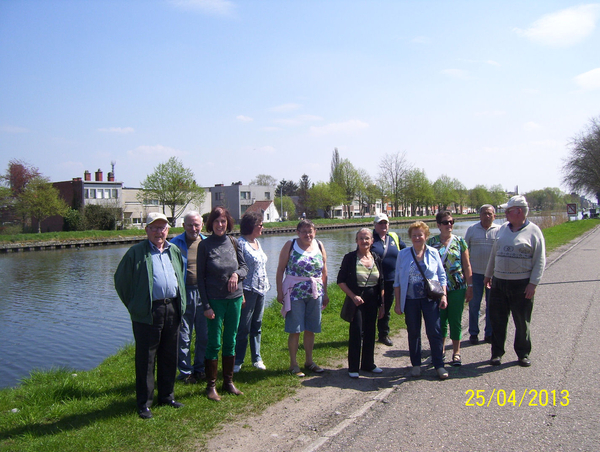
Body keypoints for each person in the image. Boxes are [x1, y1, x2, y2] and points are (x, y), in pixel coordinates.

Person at [114, 212, 186, 419]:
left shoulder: (174, 251)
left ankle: (167, 396)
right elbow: (121, 282)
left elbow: (179, 276)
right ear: (146, 230)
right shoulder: (136, 253)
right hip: (148, 312)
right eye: (154, 227)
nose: (158, 232)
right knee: (146, 358)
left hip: (171, 308)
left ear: (168, 230)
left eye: (162, 227)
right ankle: (144, 404)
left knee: (169, 354)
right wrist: (136, 305)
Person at [484, 195, 546, 367]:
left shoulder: (534, 232)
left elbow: (540, 260)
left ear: (519, 211)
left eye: (508, 210)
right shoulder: (502, 229)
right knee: (497, 320)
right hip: (499, 282)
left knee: (521, 321)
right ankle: (496, 353)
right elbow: (494, 254)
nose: (505, 213)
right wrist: (488, 275)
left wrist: (533, 283)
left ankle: (523, 353)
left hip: (521, 284)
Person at [197, 206, 248, 401]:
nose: (220, 225)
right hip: (215, 301)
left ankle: (228, 382)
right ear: (211, 224)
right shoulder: (205, 245)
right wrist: (206, 306)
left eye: (224, 221)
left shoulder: (234, 242)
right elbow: (200, 279)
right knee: (214, 343)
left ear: (228, 223)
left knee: (231, 340)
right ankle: (210, 386)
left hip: (234, 299)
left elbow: (244, 267)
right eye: (217, 221)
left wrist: (236, 274)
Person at [394, 221, 449, 380]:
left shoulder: (433, 253)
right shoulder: (403, 254)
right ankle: (416, 364)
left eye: (420, 235)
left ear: (426, 236)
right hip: (410, 300)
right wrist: (398, 303)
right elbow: (397, 281)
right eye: (414, 235)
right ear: (410, 237)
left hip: (430, 299)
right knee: (413, 332)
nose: (417, 237)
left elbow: (441, 275)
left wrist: (444, 295)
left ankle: (439, 365)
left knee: (435, 331)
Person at [276, 219, 329, 377]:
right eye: (304, 231)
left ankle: (309, 361)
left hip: (315, 292)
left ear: (315, 232)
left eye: (310, 231)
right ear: (298, 232)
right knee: (295, 329)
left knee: (311, 328)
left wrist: (325, 292)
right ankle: (293, 364)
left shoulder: (319, 245)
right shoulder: (290, 245)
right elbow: (280, 270)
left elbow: (324, 271)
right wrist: (280, 292)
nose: (308, 234)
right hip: (294, 293)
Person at [337, 228, 385, 378]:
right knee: (356, 332)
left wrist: (382, 304)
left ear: (372, 241)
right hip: (356, 301)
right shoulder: (350, 258)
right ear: (356, 241)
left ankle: (368, 364)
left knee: (371, 332)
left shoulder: (376, 258)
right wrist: (352, 296)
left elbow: (381, 282)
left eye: (367, 238)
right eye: (361, 238)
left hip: (373, 300)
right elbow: (340, 281)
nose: (364, 241)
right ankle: (353, 367)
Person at [427, 211, 473, 366]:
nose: (449, 225)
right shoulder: (431, 242)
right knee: (440, 320)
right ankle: (441, 351)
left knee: (455, 319)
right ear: (438, 225)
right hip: (438, 289)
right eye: (446, 222)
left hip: (457, 287)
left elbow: (466, 265)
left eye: (451, 222)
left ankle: (456, 352)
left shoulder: (460, 242)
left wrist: (470, 286)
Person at [170, 211, 208, 384]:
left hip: (204, 293)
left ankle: (200, 369)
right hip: (183, 293)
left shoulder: (207, 242)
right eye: (190, 225)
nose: (193, 228)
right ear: (183, 225)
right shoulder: (174, 244)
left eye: (197, 225)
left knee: (204, 334)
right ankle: (185, 372)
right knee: (183, 335)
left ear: (201, 226)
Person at [234, 211, 270, 373]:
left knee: (257, 325)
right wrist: (240, 292)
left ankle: (257, 358)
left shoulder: (257, 242)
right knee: (244, 327)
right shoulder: (240, 244)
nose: (262, 228)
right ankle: (238, 360)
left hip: (261, 289)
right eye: (260, 225)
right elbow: (237, 269)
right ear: (251, 226)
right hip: (248, 290)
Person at [464, 205, 500, 344]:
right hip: (476, 274)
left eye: (490, 214)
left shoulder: (499, 230)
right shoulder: (472, 230)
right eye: (484, 213)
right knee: (474, 304)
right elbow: (465, 252)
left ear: (494, 216)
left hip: (492, 275)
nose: (487, 216)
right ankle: (473, 333)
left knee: (491, 305)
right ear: (480, 215)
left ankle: (489, 333)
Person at [371, 213, 406, 347]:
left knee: (386, 308)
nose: (383, 225)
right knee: (372, 308)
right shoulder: (370, 238)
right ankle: (366, 334)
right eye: (380, 223)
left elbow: (406, 252)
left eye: (385, 223)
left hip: (391, 279)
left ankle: (383, 334)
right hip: (374, 280)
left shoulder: (394, 237)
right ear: (375, 225)